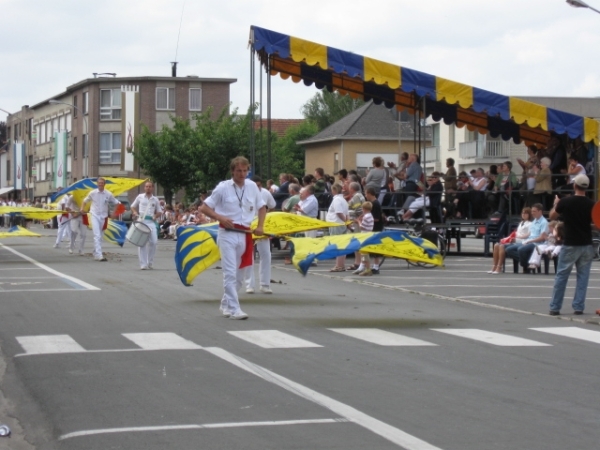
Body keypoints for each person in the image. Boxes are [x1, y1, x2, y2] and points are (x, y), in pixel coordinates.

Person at [200, 157, 266, 320]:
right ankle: (235, 309)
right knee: (229, 272)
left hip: (245, 234)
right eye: (239, 171)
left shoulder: (252, 186)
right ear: (232, 171)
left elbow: (262, 207)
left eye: (245, 171)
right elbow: (204, 207)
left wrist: (260, 226)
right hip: (227, 233)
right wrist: (220, 217)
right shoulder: (223, 187)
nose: (242, 174)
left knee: (240, 275)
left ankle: (226, 303)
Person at [548, 174, 595, 316]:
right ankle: (579, 306)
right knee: (583, 276)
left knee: (562, 275)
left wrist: (556, 203)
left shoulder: (565, 202)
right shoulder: (591, 204)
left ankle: (555, 307)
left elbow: (552, 216)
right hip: (586, 243)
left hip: (570, 243)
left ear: (575, 186)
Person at [245, 175, 276, 294]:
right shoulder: (244, 193)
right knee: (249, 255)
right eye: (255, 185)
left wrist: (266, 219)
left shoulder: (265, 193)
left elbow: (272, 206)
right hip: (248, 226)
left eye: (259, 185)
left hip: (261, 226)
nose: (258, 187)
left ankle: (265, 284)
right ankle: (250, 284)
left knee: (266, 254)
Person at [81, 177, 121, 261]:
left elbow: (117, 203)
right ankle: (99, 255)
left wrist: (114, 213)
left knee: (101, 236)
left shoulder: (108, 194)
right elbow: (85, 201)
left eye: (102, 183)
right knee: (97, 235)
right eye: (99, 183)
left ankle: (95, 252)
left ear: (104, 184)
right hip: (94, 215)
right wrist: (82, 208)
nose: (100, 184)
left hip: (103, 216)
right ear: (97, 184)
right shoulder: (93, 193)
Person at [505, 203, 548, 272]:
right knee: (509, 249)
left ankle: (526, 265)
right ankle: (527, 263)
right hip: (528, 240)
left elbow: (542, 238)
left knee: (521, 249)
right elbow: (529, 233)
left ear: (540, 211)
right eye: (532, 211)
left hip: (536, 243)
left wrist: (529, 241)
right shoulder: (534, 221)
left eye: (534, 211)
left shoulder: (544, 222)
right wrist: (519, 237)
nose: (532, 213)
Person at [488, 207, 532, 274]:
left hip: (521, 242)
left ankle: (499, 267)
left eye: (526, 213)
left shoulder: (530, 224)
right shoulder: (521, 223)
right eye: (523, 213)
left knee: (502, 246)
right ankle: (494, 266)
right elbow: (516, 234)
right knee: (496, 245)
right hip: (514, 240)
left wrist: (516, 240)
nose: (523, 214)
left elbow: (527, 237)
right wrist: (506, 239)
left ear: (529, 215)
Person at [131, 181, 163, 270]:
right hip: (141, 221)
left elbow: (160, 211)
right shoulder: (140, 197)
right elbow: (133, 206)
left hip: (151, 222)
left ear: (152, 188)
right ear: (144, 188)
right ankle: (143, 264)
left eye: (149, 186)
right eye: (146, 186)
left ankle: (150, 262)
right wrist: (135, 212)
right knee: (142, 243)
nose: (148, 188)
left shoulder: (155, 199)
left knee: (154, 242)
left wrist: (155, 216)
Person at [326, 183, 349, 272]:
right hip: (341, 224)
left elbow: (338, 212)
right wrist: (347, 222)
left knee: (337, 245)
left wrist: (345, 222)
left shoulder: (337, 200)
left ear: (334, 190)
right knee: (342, 245)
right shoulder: (343, 200)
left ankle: (338, 265)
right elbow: (346, 213)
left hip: (336, 223)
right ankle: (341, 265)